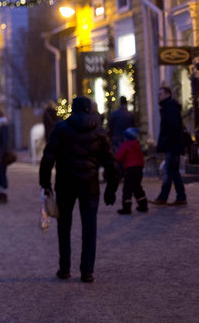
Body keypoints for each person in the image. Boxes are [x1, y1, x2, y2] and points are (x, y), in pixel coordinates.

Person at [40, 95, 119, 283]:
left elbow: (48, 157)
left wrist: (45, 183)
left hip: (65, 184)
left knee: (64, 227)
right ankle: (87, 271)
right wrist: (111, 188)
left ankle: (65, 268)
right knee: (89, 227)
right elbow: (110, 162)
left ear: (73, 109)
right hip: (90, 185)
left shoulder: (61, 129)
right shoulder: (99, 132)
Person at [150, 86, 187, 206]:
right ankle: (181, 197)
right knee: (174, 171)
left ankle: (163, 197)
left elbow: (172, 128)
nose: (158, 97)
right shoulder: (168, 107)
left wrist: (165, 143)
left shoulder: (170, 107)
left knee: (168, 171)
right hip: (173, 145)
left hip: (172, 145)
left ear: (167, 94)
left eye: (160, 94)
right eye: (157, 94)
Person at [114, 127, 147, 214]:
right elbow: (141, 158)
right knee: (137, 187)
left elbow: (118, 157)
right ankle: (143, 205)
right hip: (138, 169)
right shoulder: (137, 145)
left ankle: (126, 208)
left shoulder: (125, 145)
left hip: (130, 170)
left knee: (127, 189)